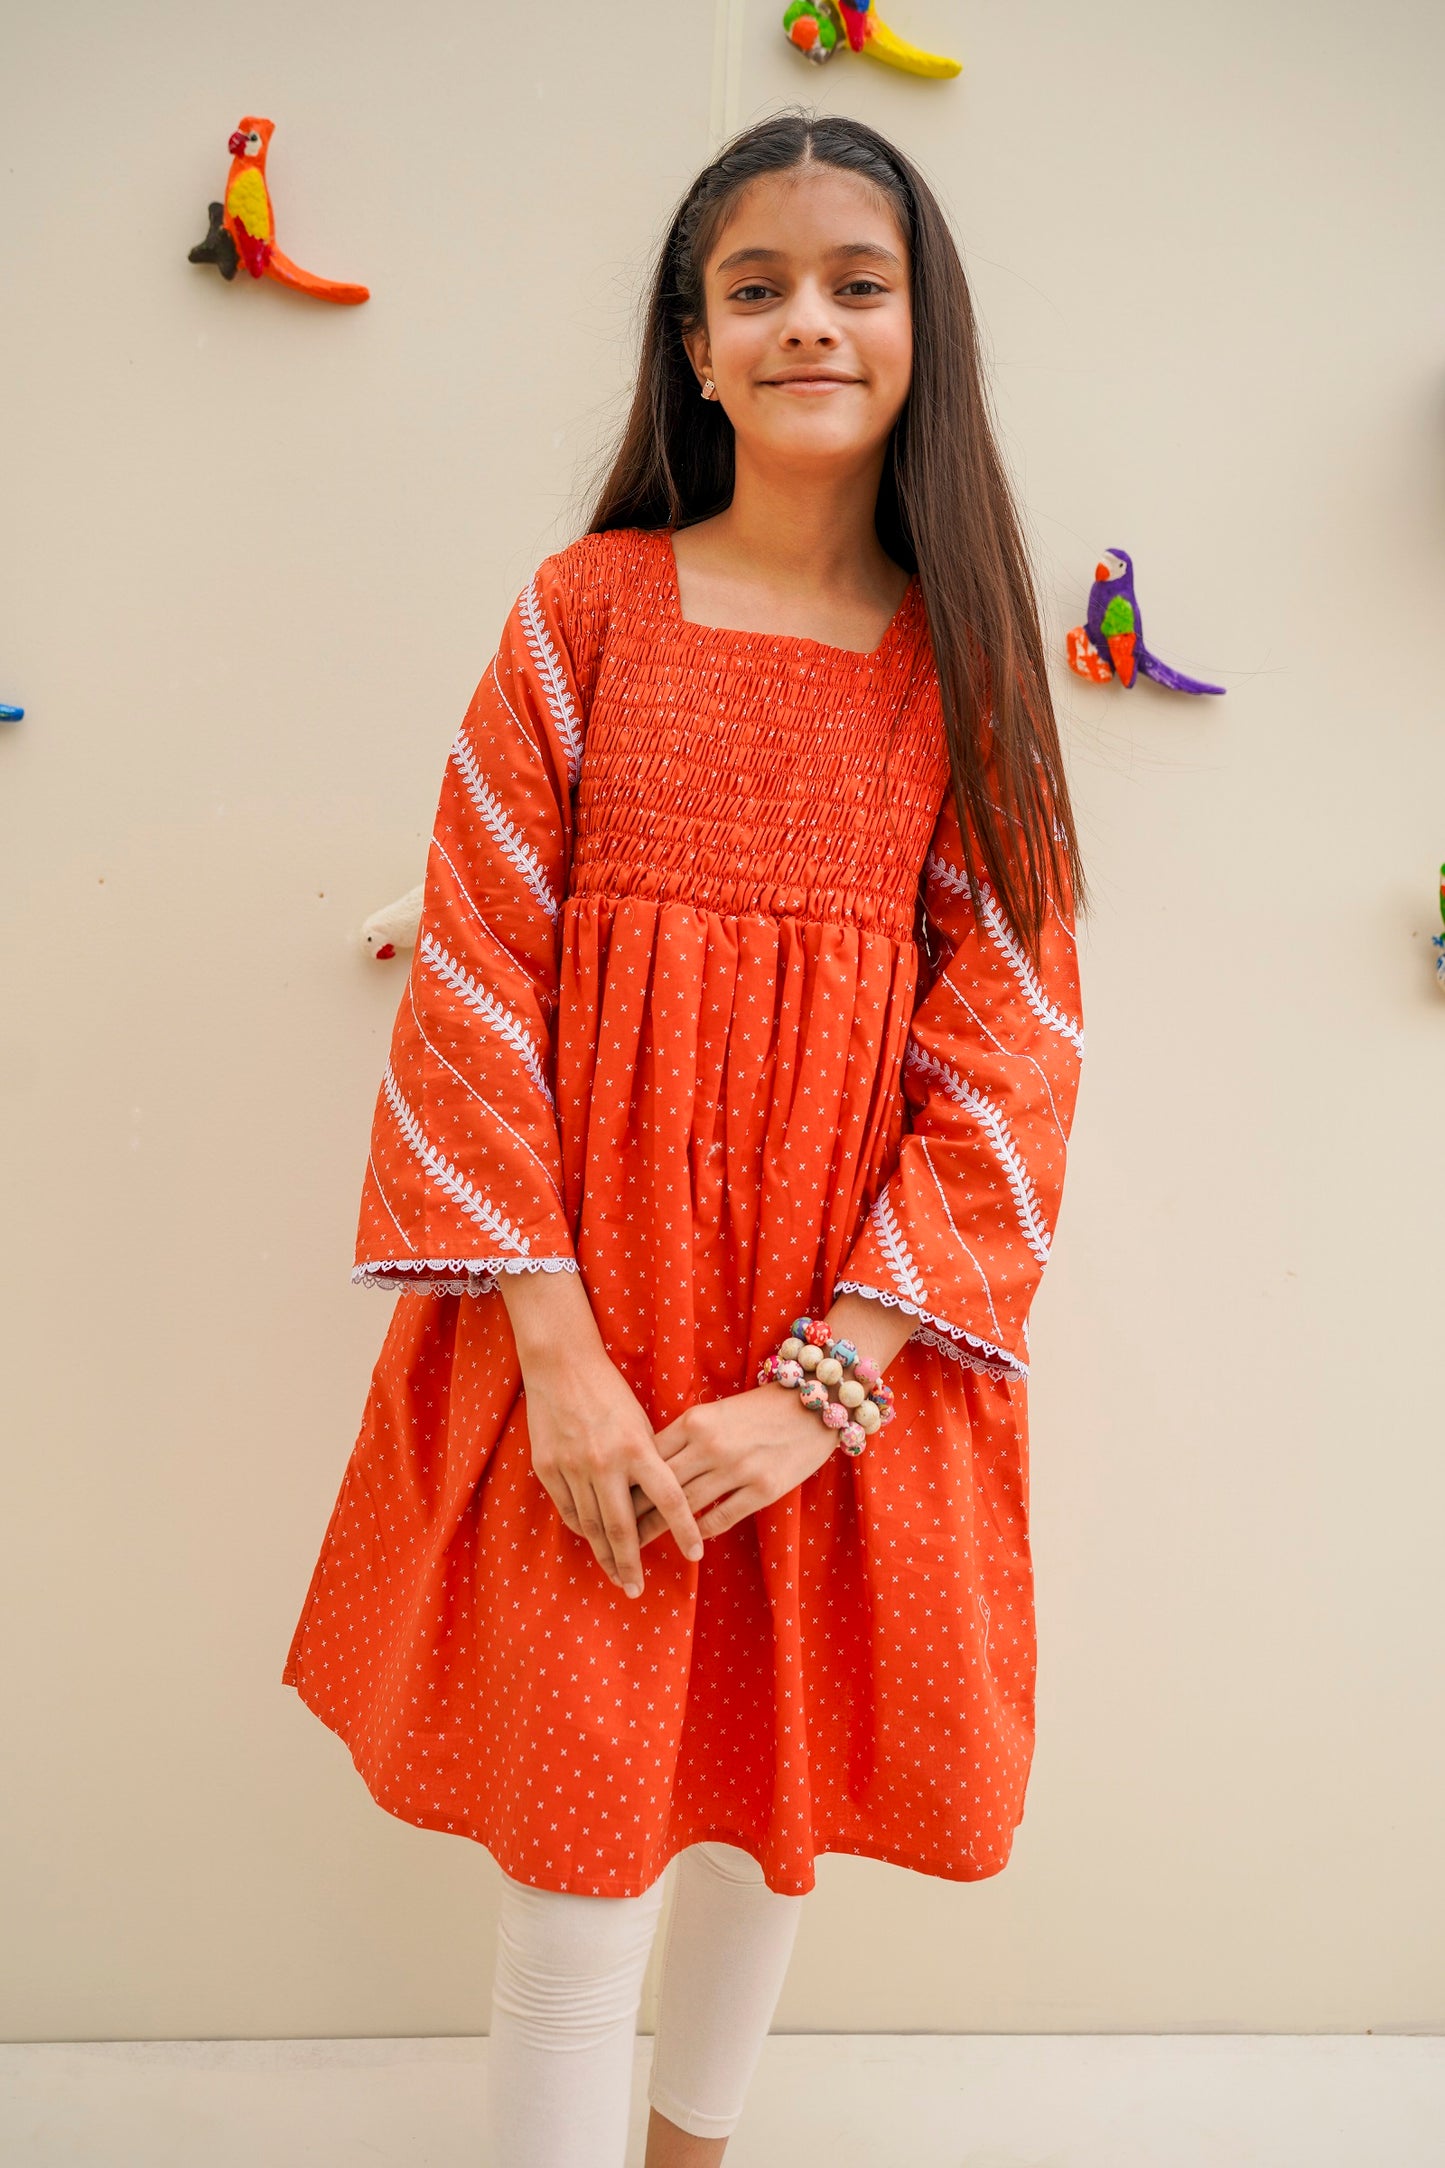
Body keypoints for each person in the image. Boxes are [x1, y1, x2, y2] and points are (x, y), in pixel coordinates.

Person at [282, 108, 1087, 2168]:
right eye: (759, 287)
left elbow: (1008, 1051)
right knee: (579, 1874)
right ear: (697, 339)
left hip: (837, 1364)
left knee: (762, 1827)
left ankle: (694, 2150)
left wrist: (831, 1389)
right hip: (600, 1340)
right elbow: (473, 979)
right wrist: (557, 1354)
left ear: (926, 331)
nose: (808, 318)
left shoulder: (968, 670)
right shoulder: (587, 613)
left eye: (857, 281)